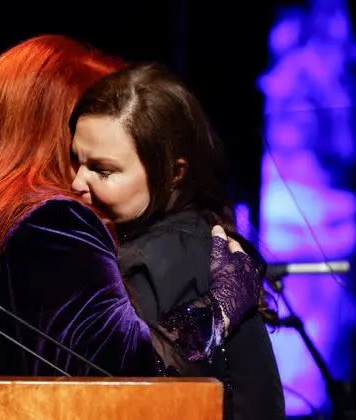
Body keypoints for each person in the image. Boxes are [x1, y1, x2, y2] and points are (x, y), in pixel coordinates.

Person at [0, 35, 261, 377]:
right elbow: (131, 375)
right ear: (59, 131)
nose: (80, 178)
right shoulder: (52, 219)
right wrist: (223, 302)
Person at [69, 63, 284, 419]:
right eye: (74, 160)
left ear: (174, 173)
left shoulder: (163, 255)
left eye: (102, 171)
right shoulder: (195, 233)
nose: (77, 182)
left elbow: (120, 382)